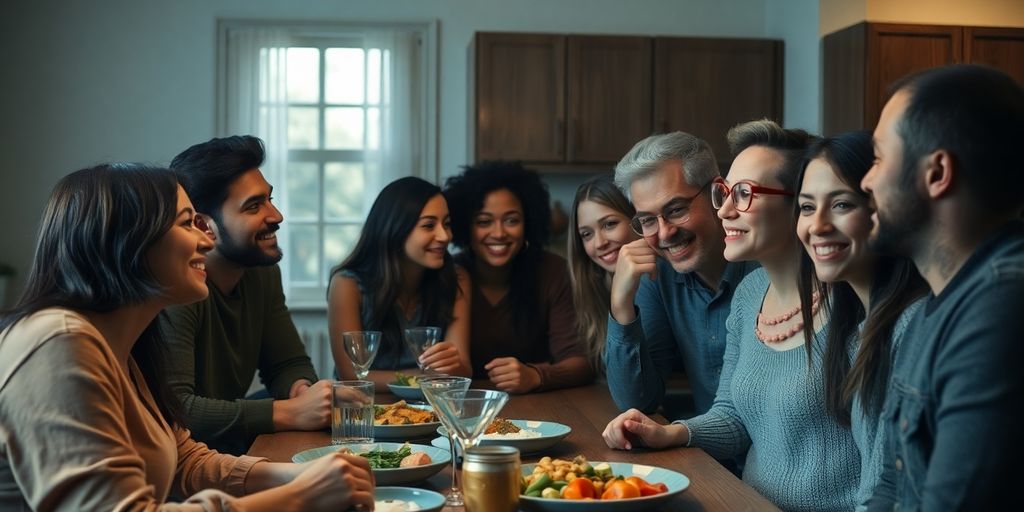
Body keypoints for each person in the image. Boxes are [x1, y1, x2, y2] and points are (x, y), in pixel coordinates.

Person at [0, 164, 374, 510]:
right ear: (130, 241)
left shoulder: (125, 346)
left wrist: (298, 473)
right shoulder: (58, 342)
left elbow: (184, 459)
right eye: (188, 223)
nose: (207, 241)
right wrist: (300, 495)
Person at [604, 120, 860, 512]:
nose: (724, 209)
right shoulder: (750, 295)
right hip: (742, 498)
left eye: (741, 194)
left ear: (799, 204)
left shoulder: (856, 301)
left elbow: (888, 473)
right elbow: (734, 416)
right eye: (726, 194)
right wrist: (668, 433)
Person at [861, 64, 1024, 510]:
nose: (866, 180)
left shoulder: (1003, 307)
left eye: (878, 158)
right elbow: (892, 488)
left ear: (937, 173)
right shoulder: (932, 308)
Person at [161, 135, 329, 455]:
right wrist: (290, 412)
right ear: (204, 226)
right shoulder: (177, 286)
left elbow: (287, 363)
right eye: (254, 206)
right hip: (183, 462)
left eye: (270, 199)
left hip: (228, 447)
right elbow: (178, 408)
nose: (276, 215)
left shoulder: (262, 272)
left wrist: (303, 393)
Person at [794, 131, 927, 510]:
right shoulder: (856, 326)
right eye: (806, 208)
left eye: (841, 204)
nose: (816, 225)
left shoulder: (911, 323)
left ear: (883, 208)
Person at [604, 131, 757, 417]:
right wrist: (621, 304)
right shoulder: (657, 274)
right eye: (648, 220)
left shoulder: (766, 264)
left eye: (676, 209)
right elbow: (636, 401)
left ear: (719, 193)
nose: (664, 233)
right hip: (706, 456)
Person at [444, 161, 593, 393]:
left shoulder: (553, 272)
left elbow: (581, 363)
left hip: (542, 406)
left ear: (528, 223)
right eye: (484, 222)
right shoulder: (448, 276)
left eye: (511, 220)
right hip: (463, 404)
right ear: (465, 227)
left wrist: (536, 375)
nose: (499, 233)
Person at [327, 176, 472, 388]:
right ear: (395, 229)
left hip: (433, 407)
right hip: (367, 408)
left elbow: (463, 369)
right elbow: (351, 375)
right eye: (428, 225)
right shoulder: (347, 284)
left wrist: (450, 366)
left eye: (447, 224)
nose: (444, 236)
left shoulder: (457, 278)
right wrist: (427, 377)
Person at [567, 175, 639, 374]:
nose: (599, 243)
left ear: (638, 219)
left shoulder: (667, 280)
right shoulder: (592, 287)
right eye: (586, 234)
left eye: (609, 224)